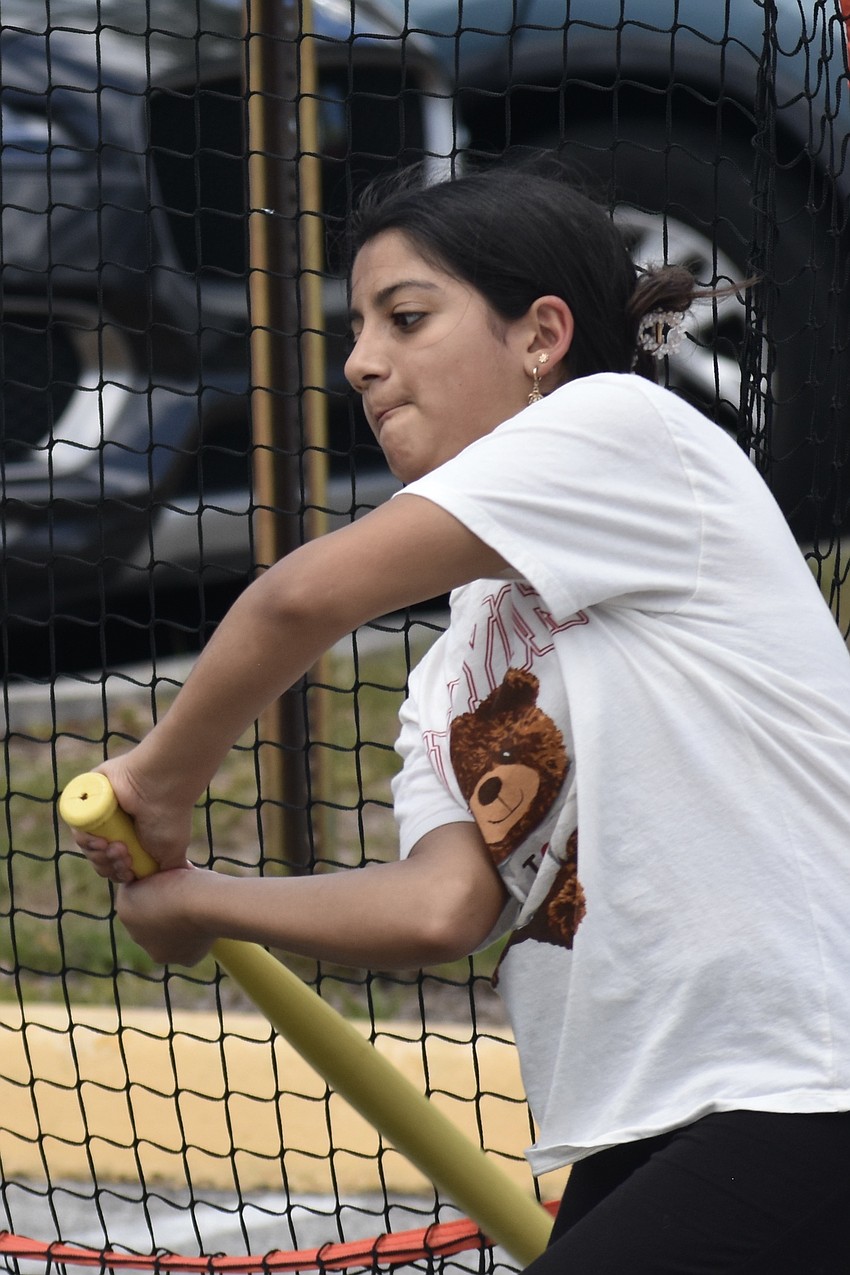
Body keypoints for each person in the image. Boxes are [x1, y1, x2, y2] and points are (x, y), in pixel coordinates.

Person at [73, 164, 850, 1272]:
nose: (360, 361)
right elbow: (440, 908)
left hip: (809, 1072)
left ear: (540, 334)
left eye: (406, 317)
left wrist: (158, 781)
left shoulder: (626, 430)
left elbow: (300, 596)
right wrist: (199, 901)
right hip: (655, 1110)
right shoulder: (453, 671)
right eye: (356, 331)